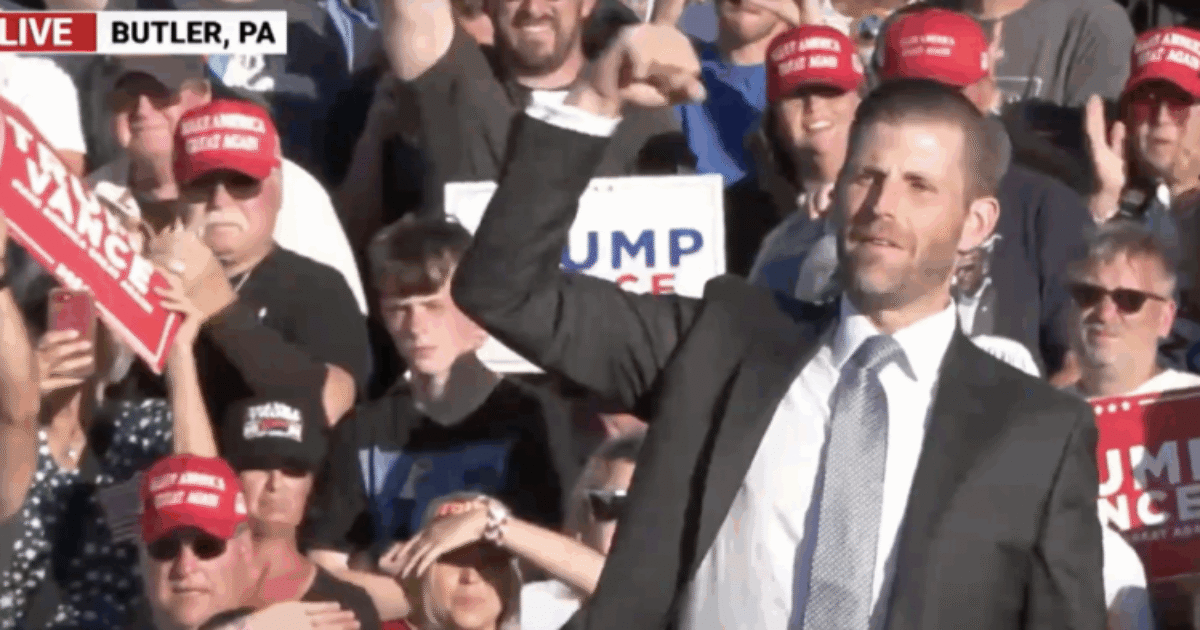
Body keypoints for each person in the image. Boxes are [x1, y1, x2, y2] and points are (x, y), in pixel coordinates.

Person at [450, 22, 1104, 630]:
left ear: (976, 224)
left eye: (919, 186)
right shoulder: (722, 343)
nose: (881, 206)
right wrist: (592, 97)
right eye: (866, 176)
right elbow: (505, 290)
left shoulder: (1035, 431)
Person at [305, 217, 574, 619]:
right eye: (398, 310)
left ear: (475, 307)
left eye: (433, 306)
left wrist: (394, 578)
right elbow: (325, 571)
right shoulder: (364, 429)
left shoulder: (533, 418)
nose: (415, 327)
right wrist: (423, 597)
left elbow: (561, 558)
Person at [872, 5, 1091, 381]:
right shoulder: (853, 207)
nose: (934, 113)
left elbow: (1082, 365)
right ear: (876, 95)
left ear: (986, 91)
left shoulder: (1048, 207)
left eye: (952, 92)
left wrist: (1012, 434)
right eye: (914, 94)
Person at [87, 56, 369, 316]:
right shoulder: (85, 197)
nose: (142, 109)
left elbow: (343, 322)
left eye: (161, 93)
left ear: (202, 97)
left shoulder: (281, 183)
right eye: (125, 96)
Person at [170, 97, 371, 430]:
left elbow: (331, 403)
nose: (219, 199)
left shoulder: (317, 286)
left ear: (277, 190)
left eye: (241, 181)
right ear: (179, 195)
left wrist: (223, 311)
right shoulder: (152, 283)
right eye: (201, 183)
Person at [376, 0, 689, 214]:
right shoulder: (453, 86)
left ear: (588, 3)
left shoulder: (637, 107)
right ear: (488, 4)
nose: (534, 8)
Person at [1085, 25, 1200, 376]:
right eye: (1146, 101)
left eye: (1179, 103)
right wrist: (1104, 201)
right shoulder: (1124, 201)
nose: (1161, 117)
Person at [136, 453, 361, 630]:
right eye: (164, 547)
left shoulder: (323, 617)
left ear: (243, 549)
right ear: (142, 557)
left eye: (207, 546)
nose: (185, 567)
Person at [742, 24, 864, 285]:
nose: (814, 105)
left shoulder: (892, 194)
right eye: (796, 94)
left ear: (860, 100)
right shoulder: (742, 213)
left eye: (830, 90)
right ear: (774, 114)